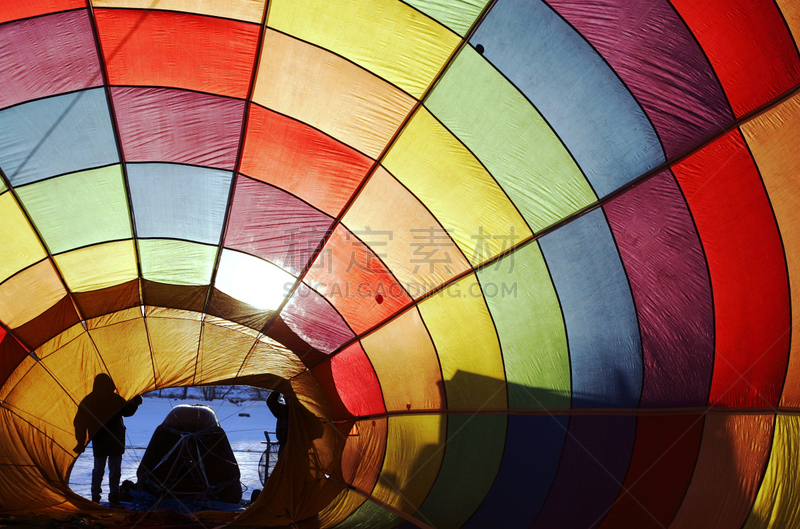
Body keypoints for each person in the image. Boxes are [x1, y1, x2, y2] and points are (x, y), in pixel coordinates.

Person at [73, 374, 142, 508]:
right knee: (115, 470)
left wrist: (80, 441)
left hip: (100, 440)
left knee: (99, 469)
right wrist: (134, 404)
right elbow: (127, 411)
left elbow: (80, 422)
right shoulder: (114, 398)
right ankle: (113, 497)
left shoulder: (89, 400)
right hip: (115, 439)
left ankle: (95, 497)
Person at [266, 391, 288, 455]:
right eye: (285, 398)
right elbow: (271, 401)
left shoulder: (302, 411)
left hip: (300, 447)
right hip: (284, 446)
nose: (287, 400)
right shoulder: (283, 410)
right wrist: (279, 388)